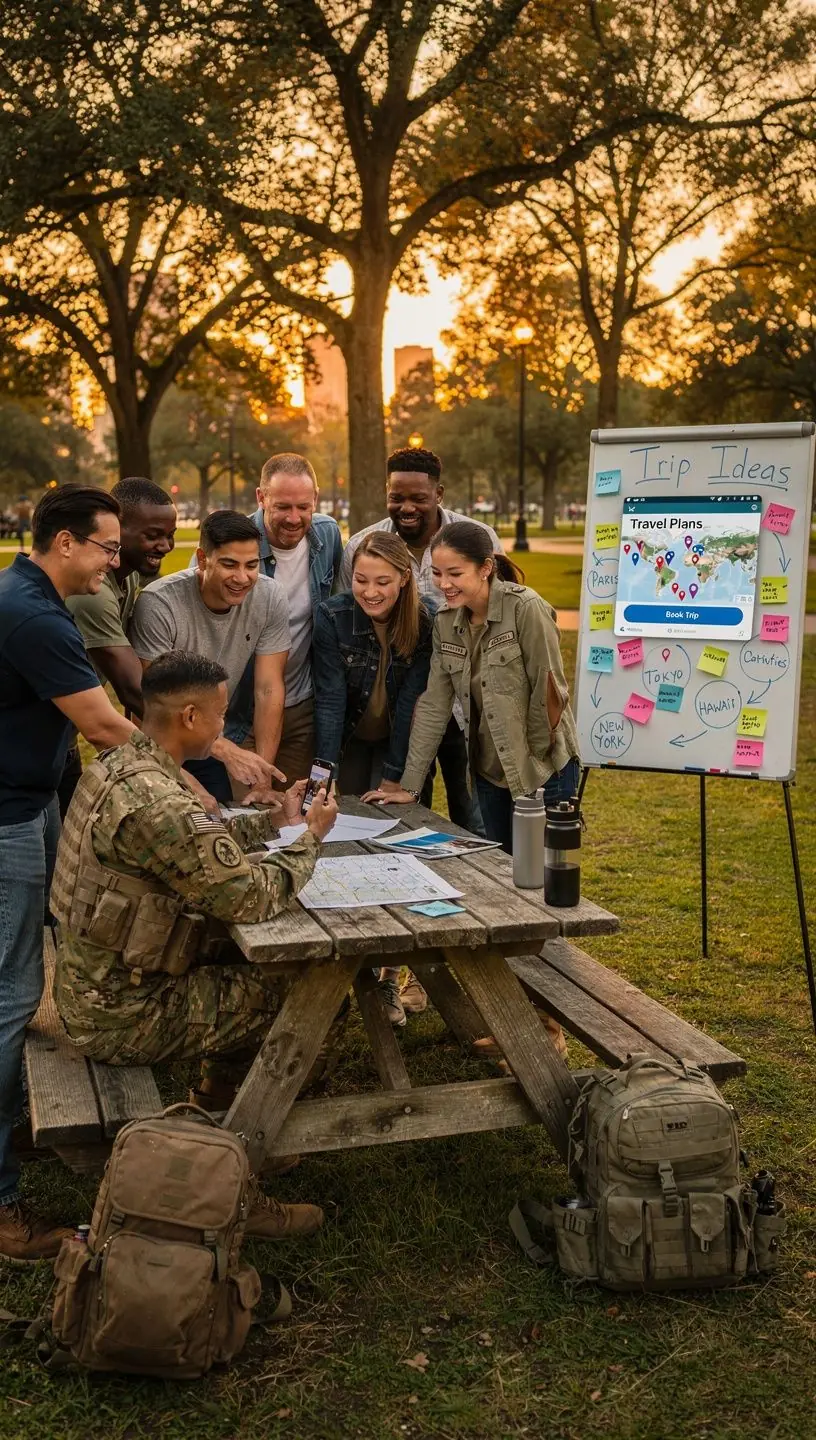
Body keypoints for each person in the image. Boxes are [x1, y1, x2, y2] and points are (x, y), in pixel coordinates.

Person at [52, 650, 338, 1241]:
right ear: (188, 716)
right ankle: (240, 1163)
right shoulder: (159, 801)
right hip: (119, 1014)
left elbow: (192, 840)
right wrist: (310, 839)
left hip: (94, 983)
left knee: (237, 960)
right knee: (297, 996)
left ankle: (216, 1100)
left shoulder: (124, 766)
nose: (223, 727)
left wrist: (273, 823)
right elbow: (253, 897)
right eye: (220, 715)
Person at [0, 486, 136, 1262]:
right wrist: (206, 765)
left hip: (35, 799)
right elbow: (104, 723)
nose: (113, 563)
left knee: (34, 971)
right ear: (63, 544)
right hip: (8, 818)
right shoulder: (35, 613)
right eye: (107, 548)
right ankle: (2, 1200)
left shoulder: (32, 595)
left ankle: (19, 1113)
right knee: (13, 989)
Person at [364, 520, 581, 845]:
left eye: (455, 573)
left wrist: (536, 762)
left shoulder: (525, 609)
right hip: (489, 773)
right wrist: (409, 785)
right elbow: (434, 706)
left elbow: (550, 693)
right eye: (437, 573)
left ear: (485, 568)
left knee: (544, 875)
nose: (444, 584)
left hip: (545, 770)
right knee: (504, 872)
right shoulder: (445, 623)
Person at [341, 447, 502, 832]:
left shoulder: (477, 538)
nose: (406, 507)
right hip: (406, 708)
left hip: (467, 703)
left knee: (475, 815)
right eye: (397, 497)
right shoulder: (361, 546)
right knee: (409, 816)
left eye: (418, 498)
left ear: (439, 494)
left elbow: (497, 617)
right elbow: (352, 625)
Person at [313, 532, 435, 1028]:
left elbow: (412, 705)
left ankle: (388, 976)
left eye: (383, 581)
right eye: (362, 580)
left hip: (396, 743)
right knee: (341, 843)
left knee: (398, 848)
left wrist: (397, 776)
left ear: (404, 579)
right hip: (347, 737)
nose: (371, 592)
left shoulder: (424, 621)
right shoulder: (332, 616)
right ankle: (338, 977)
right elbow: (329, 698)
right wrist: (324, 776)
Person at [131, 510, 289, 804]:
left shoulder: (270, 597)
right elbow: (160, 703)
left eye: (252, 565)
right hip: (163, 742)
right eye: (229, 564)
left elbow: (268, 688)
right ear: (202, 560)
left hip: (209, 739)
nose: (242, 577)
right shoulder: (159, 603)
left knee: (218, 820)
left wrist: (261, 776)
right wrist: (227, 751)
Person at [58, 477, 178, 817]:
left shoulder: (131, 576)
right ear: (116, 529)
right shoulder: (92, 594)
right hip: (30, 740)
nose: (166, 545)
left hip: (62, 737)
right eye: (152, 535)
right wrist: (197, 750)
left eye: (169, 534)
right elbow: (134, 691)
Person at [248, 452, 343, 785]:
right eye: (282, 507)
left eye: (304, 507)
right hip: (243, 708)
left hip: (301, 703)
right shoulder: (235, 544)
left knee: (294, 814)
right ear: (261, 498)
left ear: (315, 499)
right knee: (246, 809)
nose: (294, 518)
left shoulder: (327, 535)